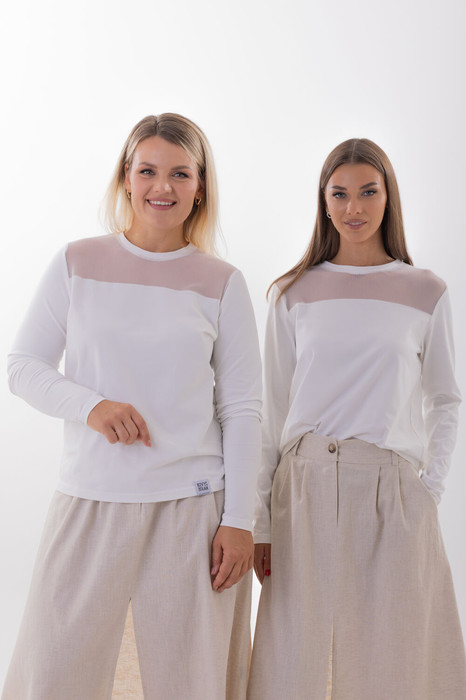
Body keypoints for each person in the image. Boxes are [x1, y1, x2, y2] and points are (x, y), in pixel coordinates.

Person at [2, 113, 262, 700]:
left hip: (191, 511)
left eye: (180, 174)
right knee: (57, 673)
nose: (162, 187)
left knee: (187, 683)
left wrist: (240, 520)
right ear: (125, 177)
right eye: (147, 171)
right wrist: (91, 406)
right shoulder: (77, 262)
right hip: (89, 501)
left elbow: (243, 410)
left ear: (200, 187)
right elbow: (23, 366)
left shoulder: (222, 282)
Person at [247, 138, 466, 700]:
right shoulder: (292, 293)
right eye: (339, 194)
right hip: (302, 488)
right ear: (323, 202)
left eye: (369, 192)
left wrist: (429, 490)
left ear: (389, 198)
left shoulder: (426, 292)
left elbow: (446, 399)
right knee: (294, 660)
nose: (354, 207)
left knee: (391, 658)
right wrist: (261, 524)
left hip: (392, 492)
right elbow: (271, 411)